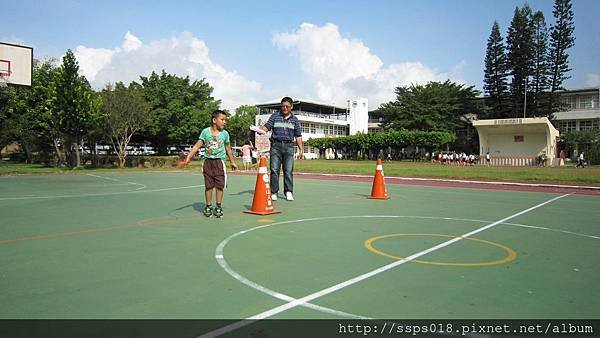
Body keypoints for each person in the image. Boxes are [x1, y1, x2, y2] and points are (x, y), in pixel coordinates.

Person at [184, 110, 238, 218]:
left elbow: (228, 148)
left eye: (225, 120)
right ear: (214, 120)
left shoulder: (225, 134)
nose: (224, 122)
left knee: (219, 185)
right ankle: (208, 206)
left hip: (219, 162)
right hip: (207, 162)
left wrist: (232, 162)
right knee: (208, 186)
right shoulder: (205, 132)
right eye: (222, 120)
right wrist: (189, 157)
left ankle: (218, 206)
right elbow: (197, 146)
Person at [259, 96, 303, 201]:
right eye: (283, 106)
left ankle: (288, 191)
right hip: (276, 146)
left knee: (288, 170)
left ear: (291, 107)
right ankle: (274, 192)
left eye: (287, 106)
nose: (285, 108)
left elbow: (298, 136)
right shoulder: (275, 116)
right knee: (274, 170)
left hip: (289, 147)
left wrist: (301, 149)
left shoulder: (295, 120)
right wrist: (259, 130)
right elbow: (267, 127)